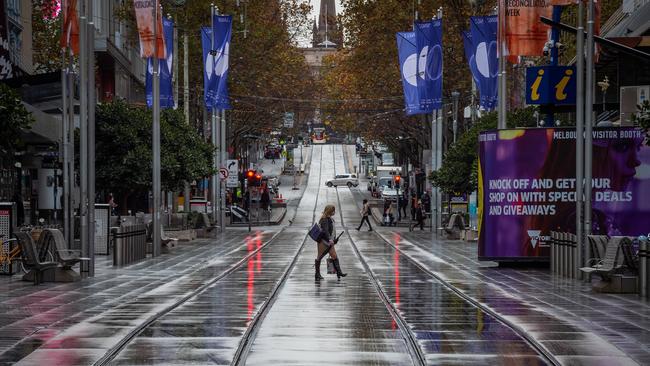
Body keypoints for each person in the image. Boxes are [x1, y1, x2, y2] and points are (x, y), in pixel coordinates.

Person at [314, 204, 347, 280]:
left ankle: (339, 272)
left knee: (334, 256)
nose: (334, 212)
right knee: (319, 257)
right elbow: (325, 231)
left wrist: (334, 239)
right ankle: (317, 274)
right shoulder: (325, 219)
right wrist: (329, 239)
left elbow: (332, 231)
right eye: (333, 211)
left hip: (329, 242)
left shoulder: (330, 218)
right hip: (323, 242)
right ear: (329, 211)